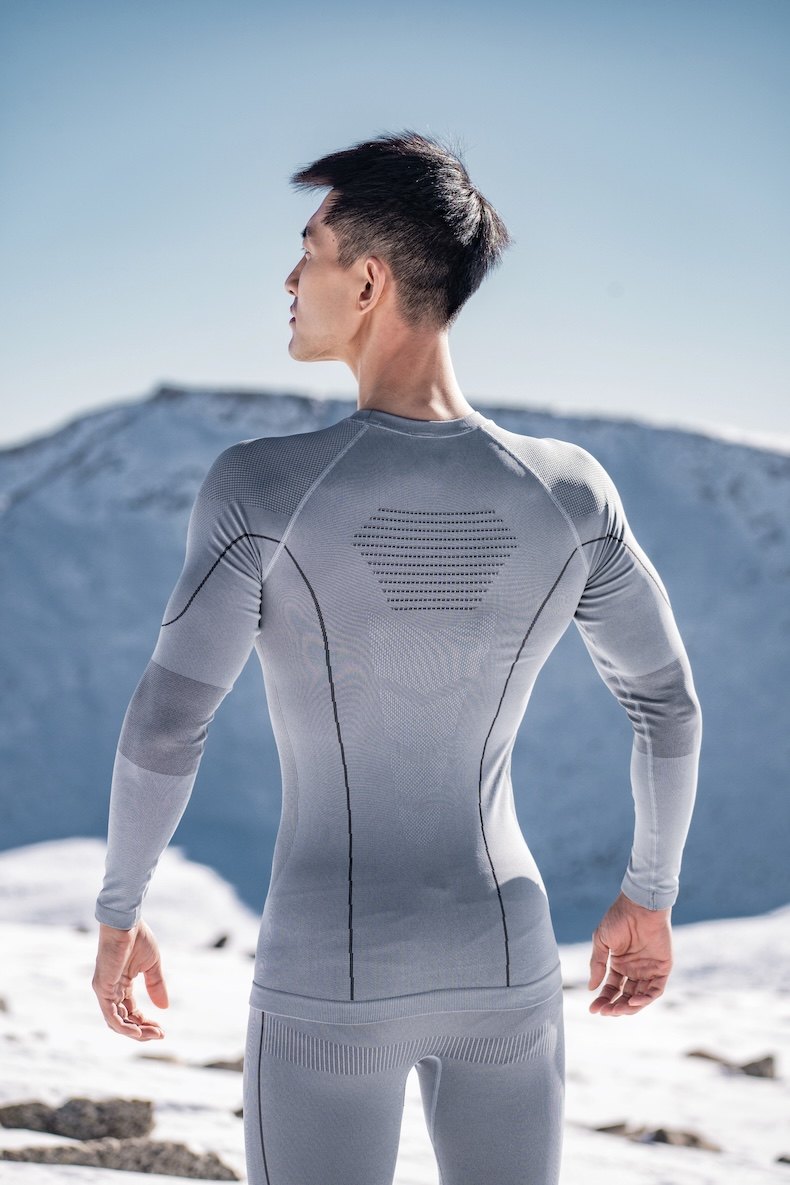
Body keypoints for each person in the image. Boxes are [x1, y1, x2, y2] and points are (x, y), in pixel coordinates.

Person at [92, 129, 703, 1185]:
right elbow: (668, 706)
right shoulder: (569, 489)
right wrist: (649, 895)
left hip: (328, 964)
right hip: (505, 955)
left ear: (368, 281)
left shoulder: (264, 486)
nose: (290, 280)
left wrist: (119, 911)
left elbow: (167, 723)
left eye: (310, 252)